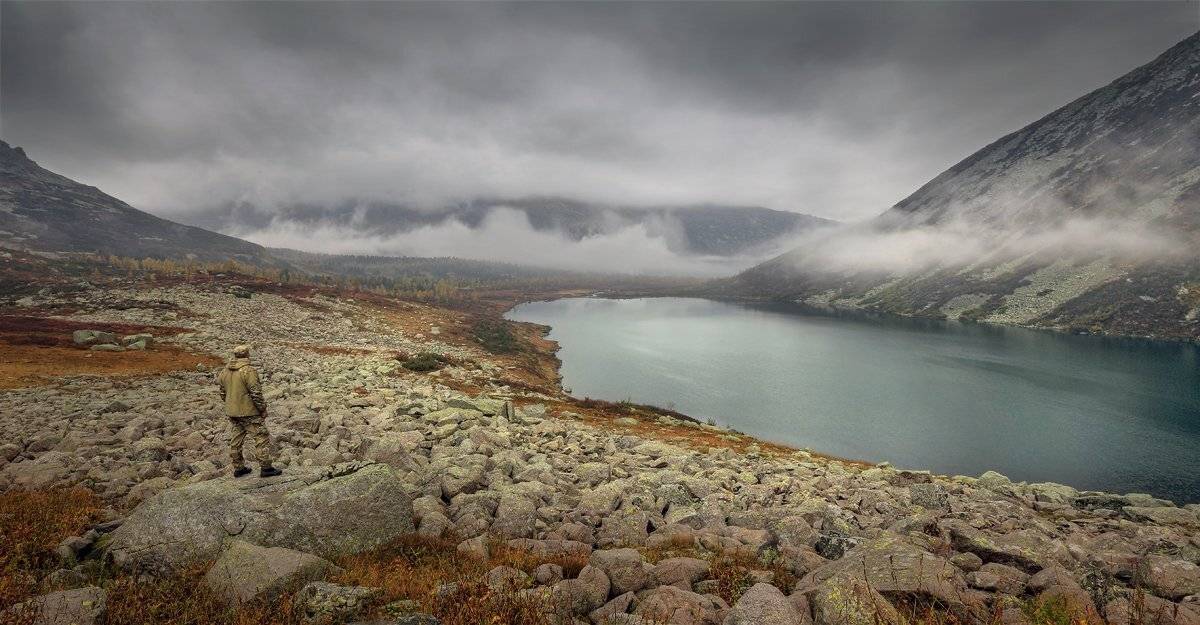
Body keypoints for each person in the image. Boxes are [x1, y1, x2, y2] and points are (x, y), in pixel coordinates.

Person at [217, 344, 281, 478]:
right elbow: (255, 393)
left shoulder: (225, 371)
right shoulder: (249, 371)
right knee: (261, 437)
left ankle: (239, 467)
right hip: (249, 412)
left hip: (232, 412)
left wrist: (231, 405)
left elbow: (222, 393)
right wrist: (262, 409)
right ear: (247, 355)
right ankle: (266, 467)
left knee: (236, 439)